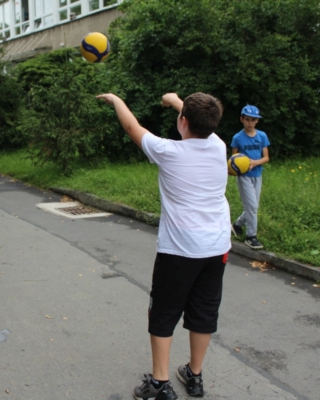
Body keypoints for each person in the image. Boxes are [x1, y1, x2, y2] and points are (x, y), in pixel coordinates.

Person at [96, 92, 231, 400]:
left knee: (163, 312)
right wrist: (176, 101)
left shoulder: (168, 151)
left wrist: (117, 100)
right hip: (216, 247)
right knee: (204, 311)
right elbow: (199, 120)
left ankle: (160, 384)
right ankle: (194, 376)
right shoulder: (218, 145)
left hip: (180, 250)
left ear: (183, 121)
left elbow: (133, 127)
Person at [230, 105, 270, 250]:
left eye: (253, 120)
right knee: (252, 207)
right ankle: (251, 236)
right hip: (244, 177)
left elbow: (266, 158)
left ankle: (237, 225)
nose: (250, 123)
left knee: (253, 206)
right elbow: (233, 160)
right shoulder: (238, 138)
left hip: (257, 175)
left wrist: (255, 163)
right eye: (247, 119)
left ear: (257, 121)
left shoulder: (262, 136)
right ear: (242, 119)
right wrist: (232, 170)